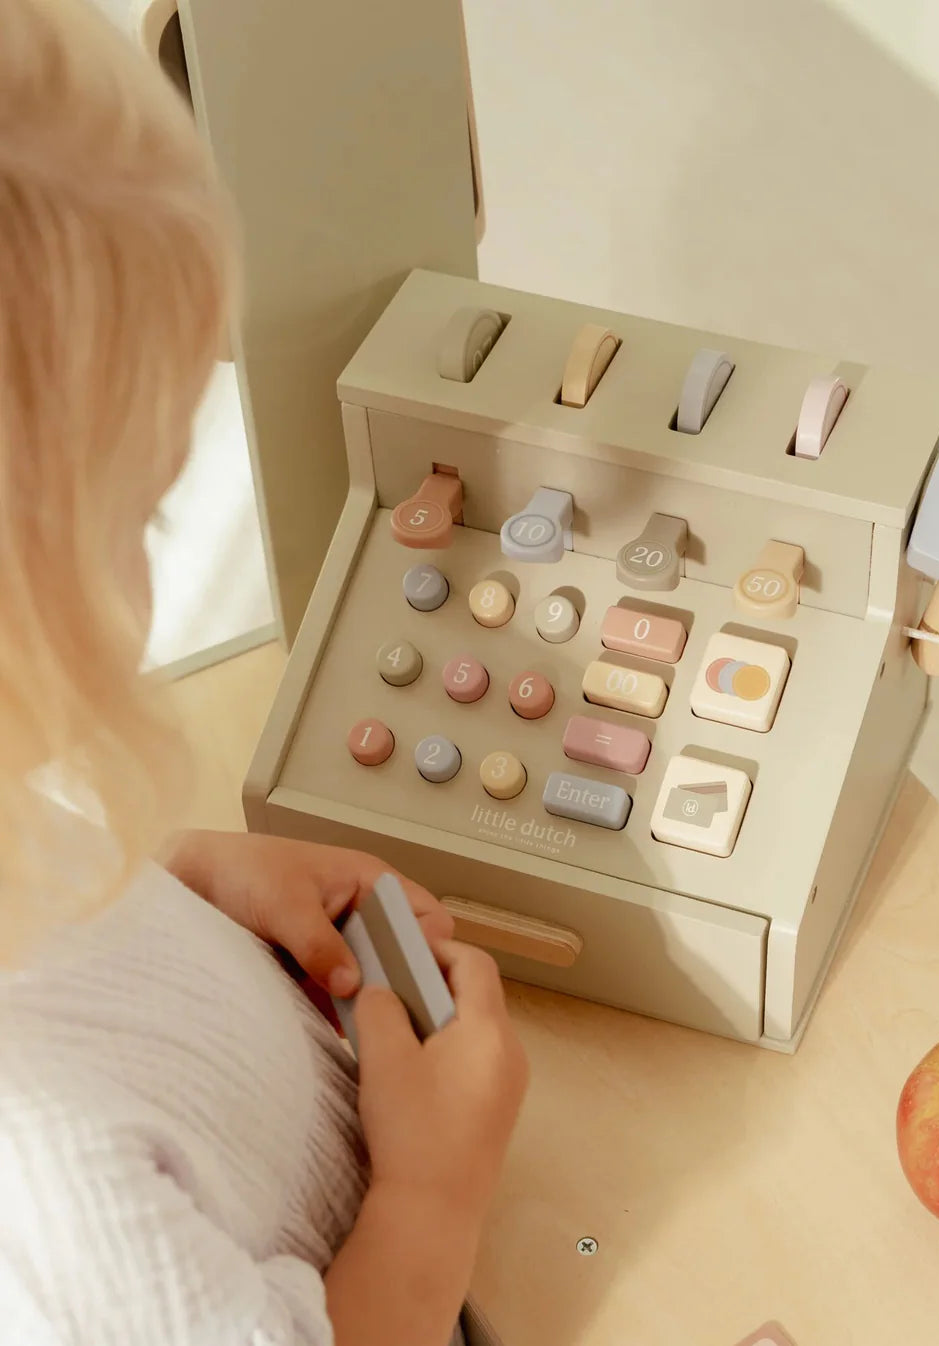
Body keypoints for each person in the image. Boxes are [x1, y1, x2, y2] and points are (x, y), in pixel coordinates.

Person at [0, 1, 529, 1342]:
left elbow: (53, 906)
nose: (155, 571)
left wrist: (186, 877)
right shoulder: (49, 1191)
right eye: (139, 517)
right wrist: (431, 1192)